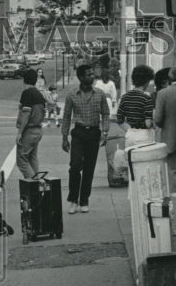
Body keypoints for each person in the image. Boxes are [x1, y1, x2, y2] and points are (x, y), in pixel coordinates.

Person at [61, 64, 111, 214]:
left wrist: (105, 132)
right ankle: (73, 199)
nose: (92, 77)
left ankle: (84, 200)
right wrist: (64, 137)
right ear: (81, 77)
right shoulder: (71, 95)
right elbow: (66, 117)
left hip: (94, 133)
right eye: (88, 74)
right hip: (78, 133)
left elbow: (106, 114)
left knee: (89, 169)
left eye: (92, 74)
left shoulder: (100, 94)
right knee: (75, 166)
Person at [16, 68, 46, 180]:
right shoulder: (39, 94)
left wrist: (20, 133)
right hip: (38, 130)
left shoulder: (27, 93)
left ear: (24, 80)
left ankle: (36, 184)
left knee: (21, 161)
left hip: (29, 130)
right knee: (32, 158)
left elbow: (26, 114)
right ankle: (36, 187)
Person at [116, 64, 156, 133]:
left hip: (130, 136)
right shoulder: (147, 98)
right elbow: (148, 124)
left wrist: (130, 130)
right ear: (146, 81)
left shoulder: (125, 97)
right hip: (144, 135)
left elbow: (120, 120)